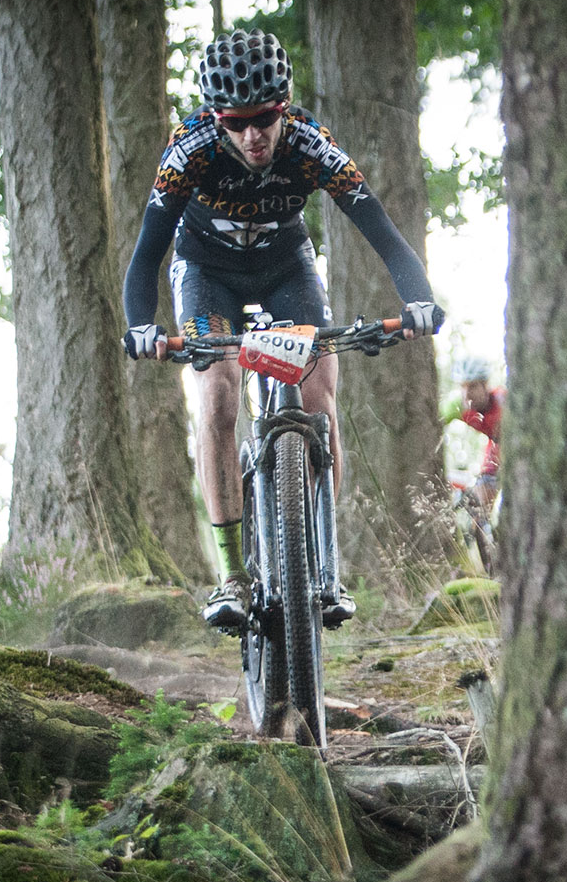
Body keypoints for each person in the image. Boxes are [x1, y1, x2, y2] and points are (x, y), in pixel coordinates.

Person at [120, 31, 444, 632]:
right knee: (217, 395)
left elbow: (375, 221)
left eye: (266, 118)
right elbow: (146, 255)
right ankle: (230, 576)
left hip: (286, 269)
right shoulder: (187, 150)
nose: (254, 135)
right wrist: (141, 325)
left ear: (284, 106)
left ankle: (322, 564)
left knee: (319, 394)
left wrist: (418, 298)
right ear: (216, 119)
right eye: (238, 122)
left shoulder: (309, 143)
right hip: (206, 273)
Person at [442, 355, 504, 514]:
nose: (467, 393)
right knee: (479, 510)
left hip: (506, 448)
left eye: (473, 386)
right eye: (462, 386)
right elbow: (432, 423)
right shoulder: (458, 406)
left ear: (485, 385)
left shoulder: (502, 402)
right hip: (494, 448)